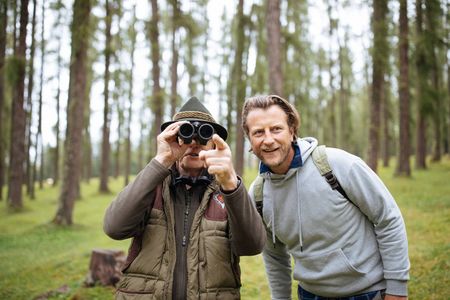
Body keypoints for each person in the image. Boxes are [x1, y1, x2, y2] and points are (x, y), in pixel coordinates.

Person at [242, 94, 410, 300]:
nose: (268, 139)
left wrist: (397, 289)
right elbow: (275, 257)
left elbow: (388, 218)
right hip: (310, 295)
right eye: (259, 132)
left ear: (292, 130)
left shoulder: (338, 164)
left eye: (276, 129)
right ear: (249, 138)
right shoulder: (258, 194)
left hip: (368, 292)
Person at [104, 96, 266, 299]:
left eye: (204, 135)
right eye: (185, 134)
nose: (195, 143)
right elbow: (114, 227)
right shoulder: (152, 184)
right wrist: (161, 161)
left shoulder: (227, 191)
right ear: (172, 137)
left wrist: (231, 184)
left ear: (214, 144)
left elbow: (252, 246)